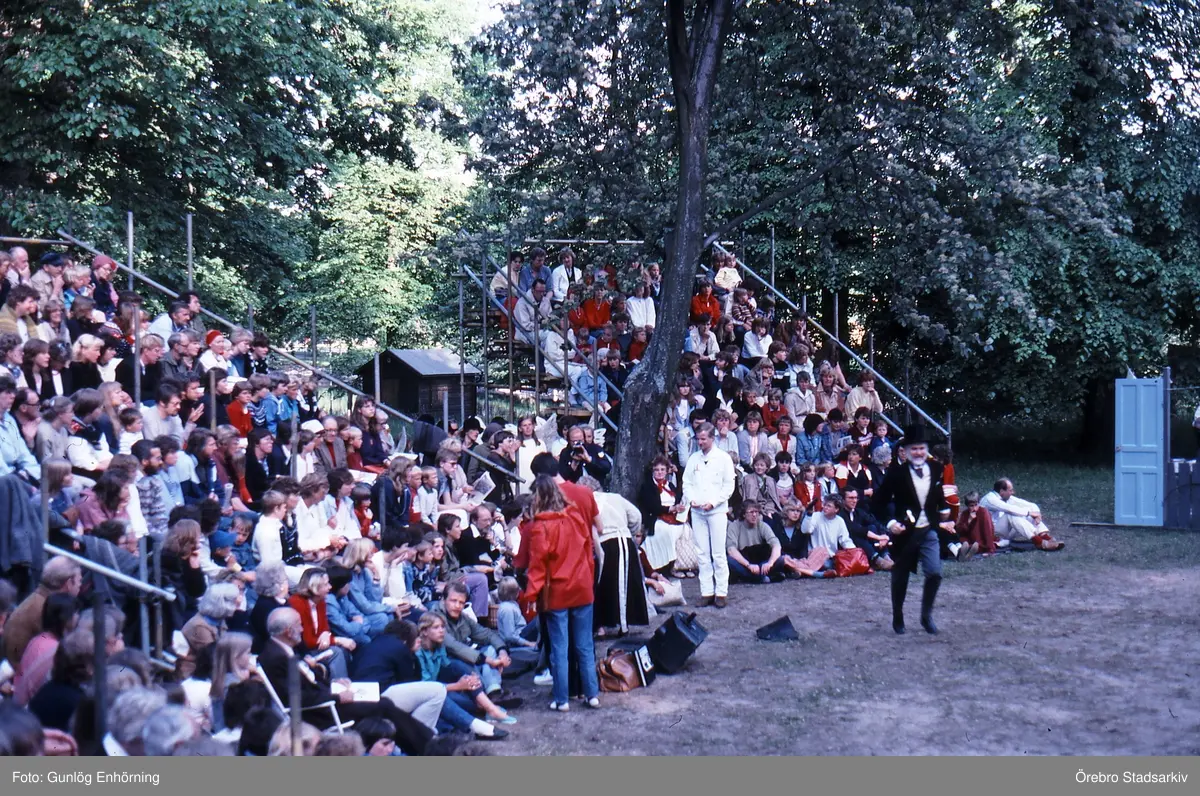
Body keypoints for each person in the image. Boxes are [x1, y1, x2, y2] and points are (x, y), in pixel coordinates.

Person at [257, 607, 434, 754]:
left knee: (382, 701)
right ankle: (428, 747)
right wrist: (338, 697)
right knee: (383, 705)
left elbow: (308, 681)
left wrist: (334, 684)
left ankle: (426, 743)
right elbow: (296, 697)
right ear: (288, 631)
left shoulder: (282, 649)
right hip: (320, 712)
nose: (302, 629)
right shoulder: (276, 658)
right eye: (299, 625)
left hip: (326, 699)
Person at [519, 474, 601, 712]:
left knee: (559, 648)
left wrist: (530, 596)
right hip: (582, 587)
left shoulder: (540, 526)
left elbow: (537, 567)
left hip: (557, 592)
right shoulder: (575, 517)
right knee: (585, 645)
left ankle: (562, 699)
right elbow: (588, 552)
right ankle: (591, 694)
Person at [872, 425, 954, 635]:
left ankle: (926, 616)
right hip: (905, 534)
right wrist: (891, 524)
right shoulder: (896, 473)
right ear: (906, 451)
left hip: (929, 530)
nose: (918, 453)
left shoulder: (936, 468)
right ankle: (898, 615)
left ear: (927, 449)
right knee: (901, 577)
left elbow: (937, 492)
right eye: (914, 449)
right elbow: (877, 503)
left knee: (934, 573)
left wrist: (944, 508)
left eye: (921, 448)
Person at [579, 475, 649, 636]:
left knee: (602, 583)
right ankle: (622, 625)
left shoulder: (585, 501)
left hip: (604, 542)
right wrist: (629, 532)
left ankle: (602, 626)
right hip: (621, 540)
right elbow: (636, 515)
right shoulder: (615, 497)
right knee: (621, 583)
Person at [428, 582, 517, 706]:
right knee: (471, 664)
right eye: (453, 601)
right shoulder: (434, 616)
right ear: (443, 600)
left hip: (464, 656)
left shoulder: (463, 617)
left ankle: (494, 692)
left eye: (461, 602)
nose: (457, 606)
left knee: (491, 649)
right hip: (445, 662)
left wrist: (502, 653)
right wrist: (488, 660)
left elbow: (487, 634)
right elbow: (453, 646)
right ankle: (484, 698)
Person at [681, 423, 736, 608]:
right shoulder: (693, 458)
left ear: (712, 438)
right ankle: (707, 592)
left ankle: (721, 592)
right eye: (698, 439)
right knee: (702, 552)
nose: (700, 442)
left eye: (704, 439)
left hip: (716, 511)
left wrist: (714, 502)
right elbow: (686, 483)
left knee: (718, 553)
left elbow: (728, 486)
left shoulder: (723, 458)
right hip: (697, 512)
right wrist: (692, 500)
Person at [2, 558, 81, 668]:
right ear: (68, 584)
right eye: (79, 581)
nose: (80, 586)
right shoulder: (48, 611)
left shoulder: (37, 601)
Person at [12, 592, 78, 707]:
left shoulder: (39, 639)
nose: (78, 617)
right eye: (76, 613)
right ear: (66, 619)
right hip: (27, 708)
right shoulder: (53, 650)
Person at [979, 479, 1065, 550]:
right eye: (1010, 490)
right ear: (1002, 491)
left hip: (1004, 532)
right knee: (1012, 514)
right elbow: (1009, 509)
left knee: (1024, 514)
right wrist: (1029, 513)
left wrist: (1037, 515)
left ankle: (1046, 538)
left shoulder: (1006, 497)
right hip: (992, 533)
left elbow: (1030, 505)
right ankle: (1039, 542)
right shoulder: (990, 499)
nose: (1013, 492)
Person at [636, 455, 686, 575]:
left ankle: (683, 565)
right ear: (652, 471)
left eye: (662, 469)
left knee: (686, 530)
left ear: (667, 471)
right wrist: (671, 508)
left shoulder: (670, 485)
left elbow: (679, 497)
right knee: (668, 531)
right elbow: (652, 507)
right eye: (657, 470)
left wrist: (679, 508)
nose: (659, 472)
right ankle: (669, 566)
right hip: (656, 518)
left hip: (672, 517)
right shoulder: (647, 487)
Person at [725, 502, 784, 583]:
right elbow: (731, 550)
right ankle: (761, 577)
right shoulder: (734, 526)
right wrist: (748, 565)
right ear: (744, 514)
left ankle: (754, 577)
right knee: (729, 560)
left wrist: (770, 563)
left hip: (760, 561)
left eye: (757, 512)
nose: (754, 515)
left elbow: (776, 544)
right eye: (751, 512)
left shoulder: (762, 525)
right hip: (743, 561)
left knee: (780, 559)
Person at [840, 487, 894, 571]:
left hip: (864, 544)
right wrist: (878, 537)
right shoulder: (840, 514)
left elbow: (875, 523)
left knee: (872, 527)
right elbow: (854, 529)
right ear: (843, 500)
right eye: (851, 498)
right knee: (857, 536)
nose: (854, 501)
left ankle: (886, 557)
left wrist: (884, 536)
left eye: (856, 498)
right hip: (847, 546)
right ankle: (877, 560)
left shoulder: (858, 511)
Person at [955, 491, 997, 557]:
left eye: (976, 505)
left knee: (977, 544)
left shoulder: (983, 512)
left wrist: (990, 549)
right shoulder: (965, 513)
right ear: (967, 505)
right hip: (969, 539)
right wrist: (969, 520)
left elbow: (988, 530)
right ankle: (965, 552)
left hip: (980, 540)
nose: (974, 508)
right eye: (971, 506)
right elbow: (960, 531)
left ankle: (971, 550)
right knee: (963, 540)